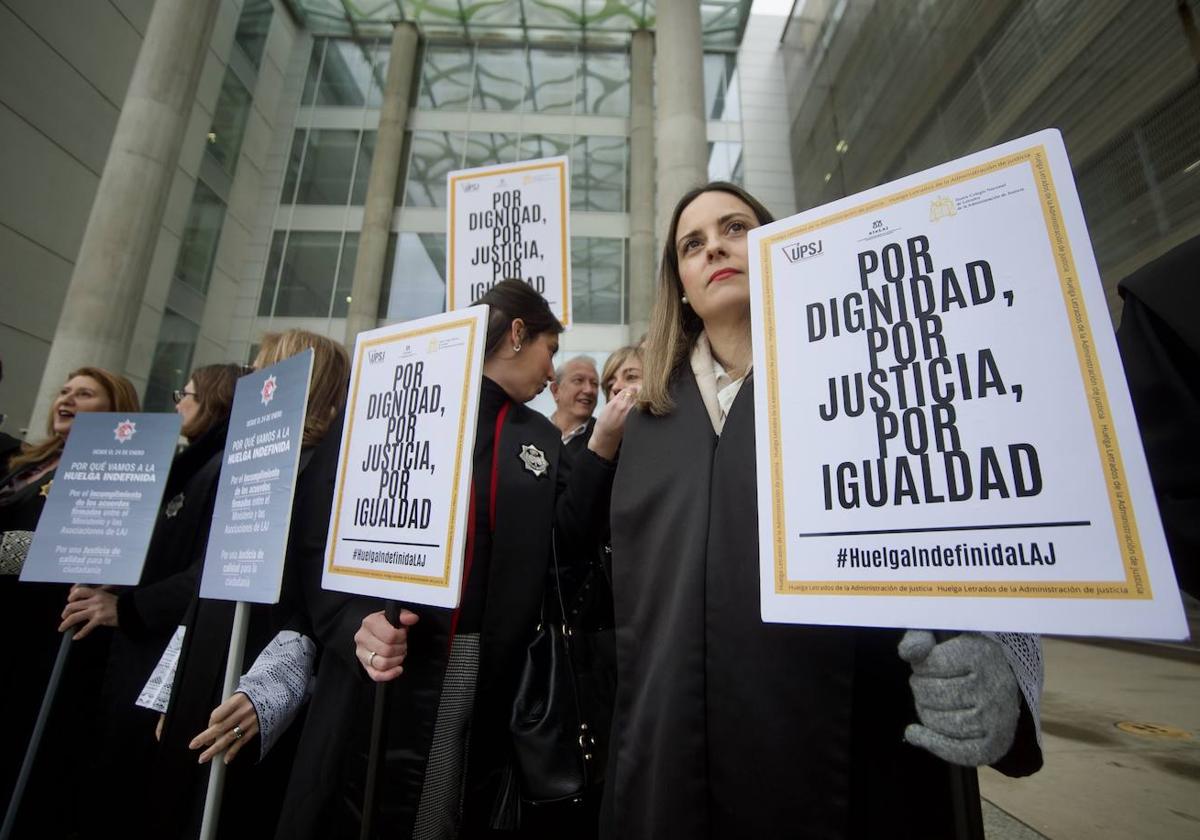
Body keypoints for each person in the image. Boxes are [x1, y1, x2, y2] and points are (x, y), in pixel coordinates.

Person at [602, 183, 1044, 839]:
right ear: (681, 285)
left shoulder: (869, 373)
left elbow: (963, 526)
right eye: (692, 244)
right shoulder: (649, 424)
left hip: (855, 758)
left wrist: (1001, 656)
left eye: (735, 227)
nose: (715, 246)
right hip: (673, 771)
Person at [274, 279, 631, 840]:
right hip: (384, 659)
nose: (551, 373)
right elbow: (319, 530)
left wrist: (602, 450)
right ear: (517, 333)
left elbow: (563, 542)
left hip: (484, 672)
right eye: (549, 351)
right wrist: (350, 624)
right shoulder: (396, 397)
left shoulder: (534, 433)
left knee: (446, 813)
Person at [143, 331, 349, 839]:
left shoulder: (324, 472)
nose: (250, 380)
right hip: (207, 667)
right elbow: (209, 579)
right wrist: (176, 685)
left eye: (262, 368)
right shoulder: (250, 466)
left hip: (254, 688)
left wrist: (269, 691)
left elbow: (317, 597)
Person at [64, 363, 245, 829]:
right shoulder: (196, 461)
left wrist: (126, 607)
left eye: (185, 394)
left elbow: (210, 569)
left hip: (160, 650)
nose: (179, 404)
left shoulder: (223, 464)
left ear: (213, 400)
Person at [0, 366, 139, 835]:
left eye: (84, 394)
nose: (67, 399)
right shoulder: (25, 461)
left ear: (114, 409)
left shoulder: (114, 469)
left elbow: (81, 547)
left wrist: (4, 548)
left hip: (46, 631)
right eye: (64, 391)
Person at [549, 355, 601, 458]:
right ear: (555, 390)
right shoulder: (535, 429)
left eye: (594, 384)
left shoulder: (602, 437)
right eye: (578, 380)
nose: (588, 390)